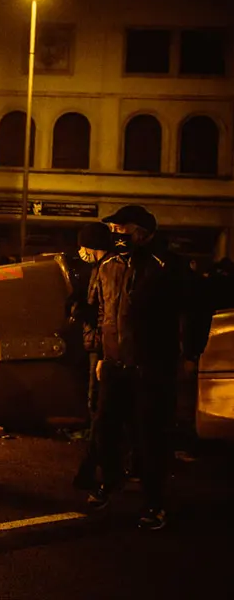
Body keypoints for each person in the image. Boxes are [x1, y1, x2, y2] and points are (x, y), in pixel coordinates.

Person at [86, 205, 184, 531]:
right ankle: (110, 480)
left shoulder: (166, 266)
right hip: (115, 364)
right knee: (105, 427)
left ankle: (155, 502)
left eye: (123, 229)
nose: (117, 235)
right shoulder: (108, 266)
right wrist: (103, 354)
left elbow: (189, 313)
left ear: (142, 232)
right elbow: (104, 312)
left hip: (152, 366)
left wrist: (187, 355)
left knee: (150, 435)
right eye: (114, 230)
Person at [70, 222, 113, 492]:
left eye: (82, 246)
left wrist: (84, 312)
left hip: (101, 348)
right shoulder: (99, 268)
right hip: (97, 345)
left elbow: (106, 313)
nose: (81, 252)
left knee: (99, 407)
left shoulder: (107, 269)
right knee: (98, 407)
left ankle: (98, 468)